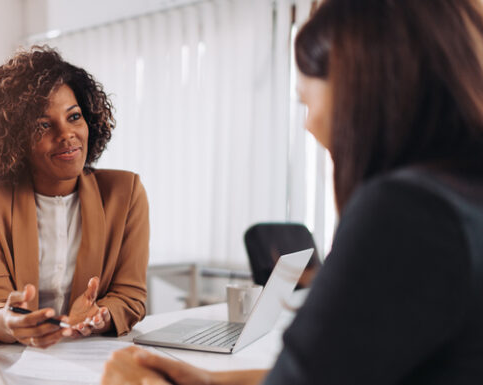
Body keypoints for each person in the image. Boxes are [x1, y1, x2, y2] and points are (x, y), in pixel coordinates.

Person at [102, 0, 483, 383]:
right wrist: (209, 381)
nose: (310, 125)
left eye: (306, 101)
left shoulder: (406, 213)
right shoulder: (461, 198)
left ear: (364, 91)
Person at [0, 46, 149, 348]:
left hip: (92, 359)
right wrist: (12, 323)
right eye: (44, 125)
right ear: (15, 139)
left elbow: (130, 296)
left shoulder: (125, 193)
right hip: (13, 361)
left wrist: (100, 316)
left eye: (74, 116)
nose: (67, 134)